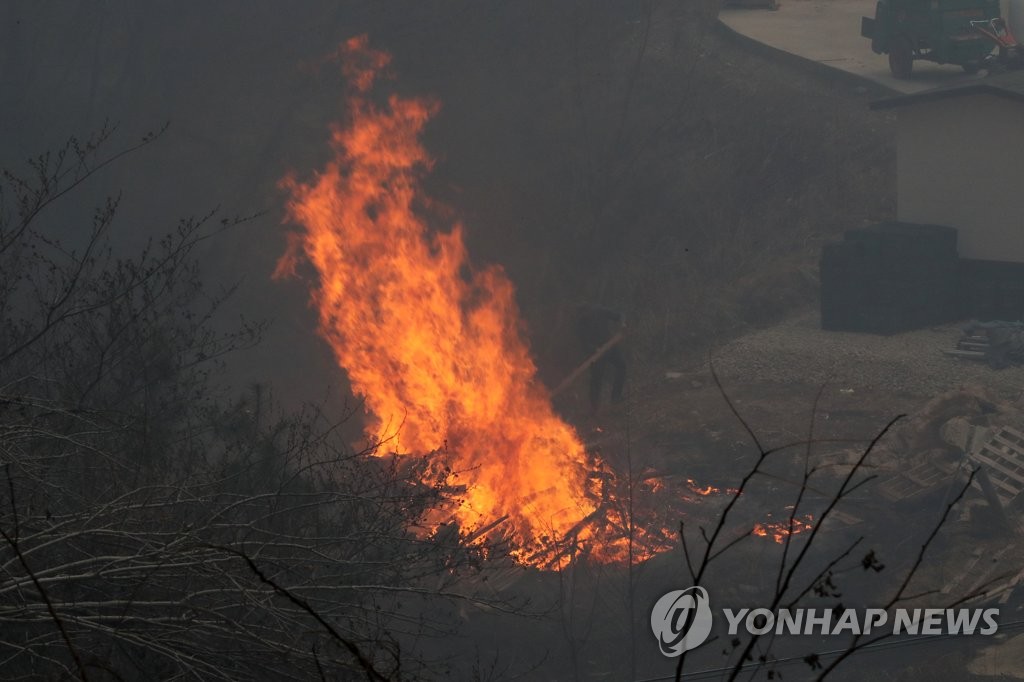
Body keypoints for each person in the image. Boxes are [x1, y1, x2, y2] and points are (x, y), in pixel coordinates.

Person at [576, 304, 627, 414]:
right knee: (596, 379)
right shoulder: (581, 323)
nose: (587, 315)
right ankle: (594, 408)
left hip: (610, 346)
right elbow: (583, 343)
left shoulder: (600, 311)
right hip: (596, 354)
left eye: (588, 313)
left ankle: (615, 397)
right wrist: (594, 349)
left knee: (622, 367)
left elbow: (620, 315)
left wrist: (622, 324)